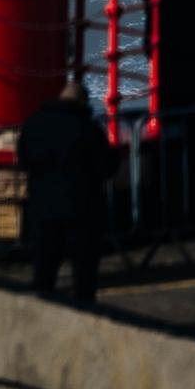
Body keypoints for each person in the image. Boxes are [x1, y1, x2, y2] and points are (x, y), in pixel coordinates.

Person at [17, 80, 116, 304]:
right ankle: (84, 310)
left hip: (43, 205)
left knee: (45, 265)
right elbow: (106, 167)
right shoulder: (89, 129)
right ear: (83, 101)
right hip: (82, 206)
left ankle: (42, 307)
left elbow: (24, 160)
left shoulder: (34, 124)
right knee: (84, 268)